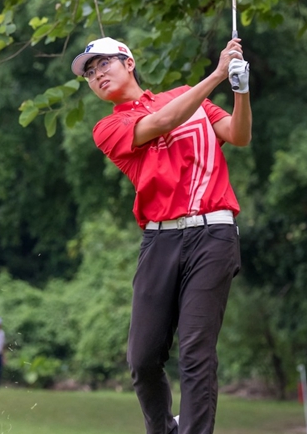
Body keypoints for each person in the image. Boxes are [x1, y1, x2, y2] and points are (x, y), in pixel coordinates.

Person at [71, 36, 251, 434]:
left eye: (103, 64)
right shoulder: (109, 127)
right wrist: (218, 75)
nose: (97, 75)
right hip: (160, 240)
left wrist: (241, 91)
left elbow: (238, 135)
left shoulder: (187, 96)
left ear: (129, 63)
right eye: (90, 73)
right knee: (143, 358)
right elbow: (163, 122)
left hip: (213, 234)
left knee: (196, 352)